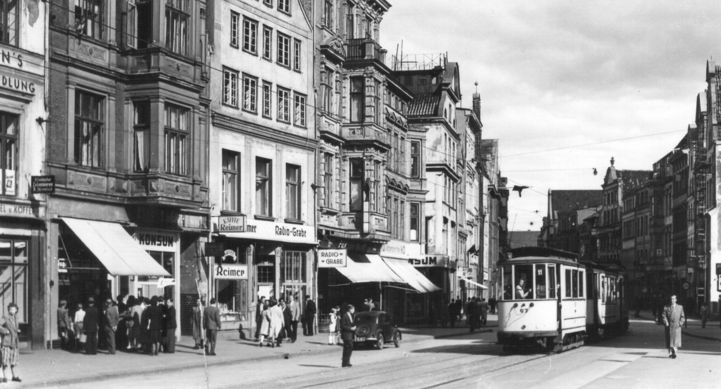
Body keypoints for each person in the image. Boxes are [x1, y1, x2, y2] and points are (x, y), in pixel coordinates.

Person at [0, 303, 21, 382]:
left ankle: (14, 376)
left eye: (14, 309)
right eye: (11, 309)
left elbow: (14, 328)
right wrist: (5, 331)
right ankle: (4, 377)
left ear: (16, 310)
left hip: (14, 342)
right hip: (7, 342)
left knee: (13, 360)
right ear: (8, 310)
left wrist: (17, 331)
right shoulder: (5, 318)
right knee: (5, 360)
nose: (12, 310)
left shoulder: (16, 318)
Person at [662, 294, 685, 359]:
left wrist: (680, 323)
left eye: (674, 299)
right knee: (670, 340)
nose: (672, 300)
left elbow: (682, 317)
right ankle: (671, 352)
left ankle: (674, 351)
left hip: (677, 326)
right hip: (669, 326)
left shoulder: (680, 307)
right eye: (671, 299)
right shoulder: (666, 307)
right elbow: (664, 315)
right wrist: (666, 322)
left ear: (676, 300)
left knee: (675, 340)